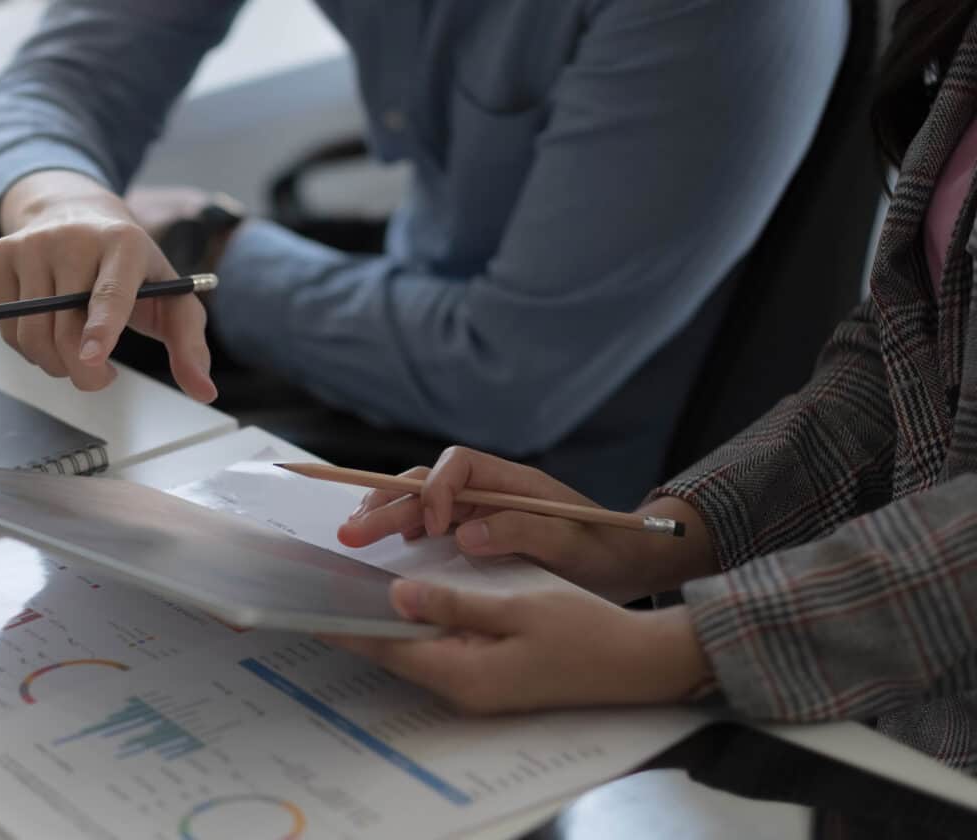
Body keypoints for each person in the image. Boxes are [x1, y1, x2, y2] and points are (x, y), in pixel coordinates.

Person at [327, 3, 977, 773]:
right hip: (897, 746)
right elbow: (908, 354)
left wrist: (684, 650)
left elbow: (506, 367)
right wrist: (650, 540)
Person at [0, 1, 848, 509]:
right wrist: (60, 201)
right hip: (413, 319)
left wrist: (210, 243)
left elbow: (508, 377)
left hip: (560, 461)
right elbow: (59, 81)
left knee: (102, 518)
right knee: (23, 362)